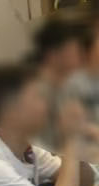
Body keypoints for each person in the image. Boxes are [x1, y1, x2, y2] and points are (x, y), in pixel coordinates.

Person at [29, 18, 85, 148]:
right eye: (73, 51)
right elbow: (39, 149)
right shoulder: (36, 93)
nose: (79, 56)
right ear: (52, 55)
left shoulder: (65, 84)